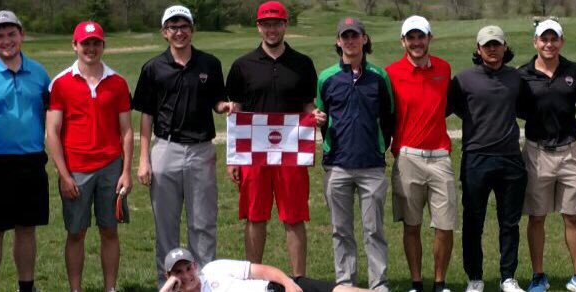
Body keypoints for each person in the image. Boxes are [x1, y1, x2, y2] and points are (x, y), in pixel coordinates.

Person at [132, 5, 229, 287]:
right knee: (166, 225)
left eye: (184, 26)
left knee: (203, 223)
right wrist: (143, 159)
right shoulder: (153, 68)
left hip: (201, 150)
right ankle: (169, 285)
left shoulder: (209, 64)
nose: (179, 32)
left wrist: (224, 107)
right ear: (165, 32)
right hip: (165, 148)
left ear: (192, 29)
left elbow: (217, 100)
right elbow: (147, 115)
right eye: (173, 27)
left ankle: (204, 283)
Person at [225, 0, 318, 278]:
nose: (272, 29)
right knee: (255, 216)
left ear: (285, 25)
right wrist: (233, 158)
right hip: (253, 154)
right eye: (266, 24)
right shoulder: (242, 65)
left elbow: (307, 107)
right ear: (258, 27)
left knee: (294, 217)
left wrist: (317, 117)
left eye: (277, 23)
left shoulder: (302, 64)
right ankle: (253, 279)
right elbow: (236, 112)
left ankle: (298, 280)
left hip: (290, 152)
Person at [46, 21, 133, 292]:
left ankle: (110, 288)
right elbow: (52, 131)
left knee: (109, 230)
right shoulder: (60, 84)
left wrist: (126, 171)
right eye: (85, 43)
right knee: (76, 232)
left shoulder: (117, 82)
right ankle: (76, 289)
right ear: (75, 46)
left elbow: (127, 131)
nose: (91, 48)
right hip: (76, 170)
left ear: (103, 45)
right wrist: (63, 174)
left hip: (110, 167)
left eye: (96, 43)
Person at [0, 10, 51, 292]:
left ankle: (26, 287)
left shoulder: (39, 73)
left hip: (31, 160)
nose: (6, 41)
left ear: (22, 34)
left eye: (11, 34)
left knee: (27, 229)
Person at [448, 25, 529, 292]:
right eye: (487, 45)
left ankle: (508, 276)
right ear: (478, 49)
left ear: (505, 47)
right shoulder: (463, 79)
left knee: (510, 221)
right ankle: (475, 277)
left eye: (497, 44)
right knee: (473, 221)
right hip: (476, 158)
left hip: (510, 159)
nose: (492, 49)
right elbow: (454, 108)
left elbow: (527, 108)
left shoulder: (517, 78)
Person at [316, 16, 393, 292]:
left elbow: (388, 116)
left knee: (374, 230)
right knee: (341, 229)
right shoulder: (326, 77)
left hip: (371, 164)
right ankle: (346, 281)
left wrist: (380, 148)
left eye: (355, 35)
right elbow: (321, 116)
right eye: (344, 36)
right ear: (338, 41)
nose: (350, 41)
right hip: (337, 165)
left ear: (364, 39)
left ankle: (379, 283)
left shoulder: (379, 77)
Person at [517, 19, 576, 292]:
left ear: (561, 41)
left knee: (572, 216)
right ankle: (539, 275)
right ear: (535, 42)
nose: (549, 44)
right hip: (537, 152)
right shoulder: (523, 74)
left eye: (554, 39)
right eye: (543, 39)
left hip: (570, 152)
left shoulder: (574, 71)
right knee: (536, 217)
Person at [385, 15, 455, 292]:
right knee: (411, 225)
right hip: (407, 157)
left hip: (440, 156)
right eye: (411, 37)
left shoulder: (444, 68)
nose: (416, 42)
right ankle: (416, 283)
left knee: (445, 225)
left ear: (429, 38)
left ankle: (440, 283)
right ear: (403, 41)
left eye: (421, 36)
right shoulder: (391, 73)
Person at [159, 247, 374, 292]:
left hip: (276, 288)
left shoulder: (214, 269)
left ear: (195, 266)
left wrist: (289, 283)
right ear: (169, 278)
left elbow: (262, 271)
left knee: (339, 291)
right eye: (178, 273)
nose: (187, 275)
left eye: (188, 268)